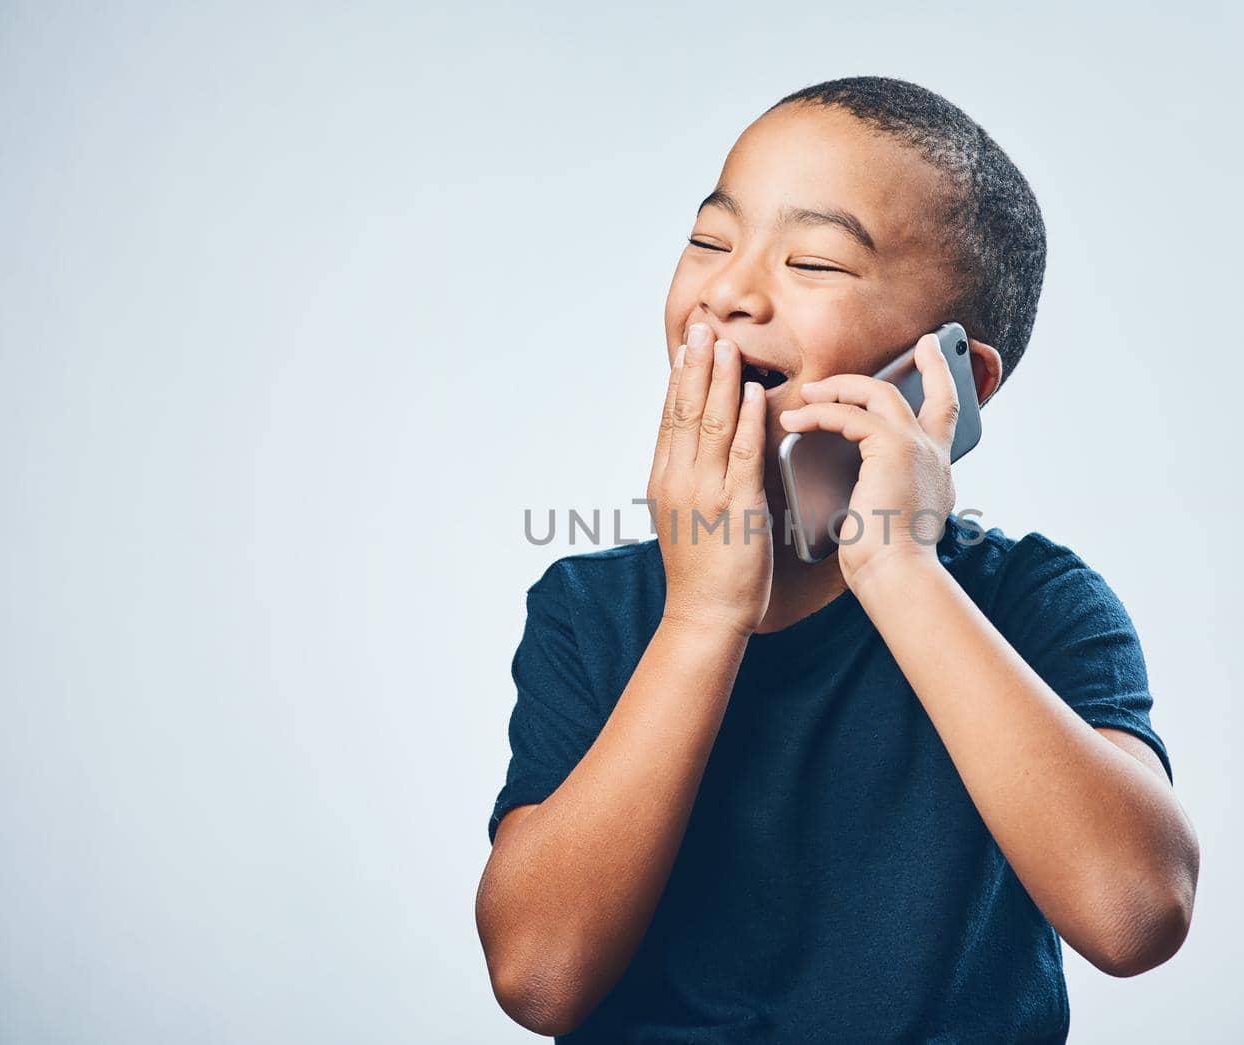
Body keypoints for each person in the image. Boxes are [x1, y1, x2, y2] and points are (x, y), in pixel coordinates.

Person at [475, 75, 1200, 1043]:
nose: (728, 290)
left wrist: (897, 567)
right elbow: (538, 977)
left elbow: (1135, 913)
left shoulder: (1034, 602)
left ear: (947, 375)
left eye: (813, 260)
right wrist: (703, 614)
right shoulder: (590, 608)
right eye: (708, 240)